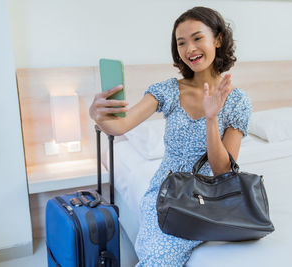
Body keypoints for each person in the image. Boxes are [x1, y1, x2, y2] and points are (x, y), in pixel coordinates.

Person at [89, 6, 252, 266]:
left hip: (211, 199)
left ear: (218, 39)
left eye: (198, 38)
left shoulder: (238, 102)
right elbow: (120, 127)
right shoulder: (166, 91)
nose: (189, 49)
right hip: (168, 194)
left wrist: (212, 118)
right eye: (181, 43)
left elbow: (223, 170)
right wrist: (97, 114)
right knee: (158, 257)